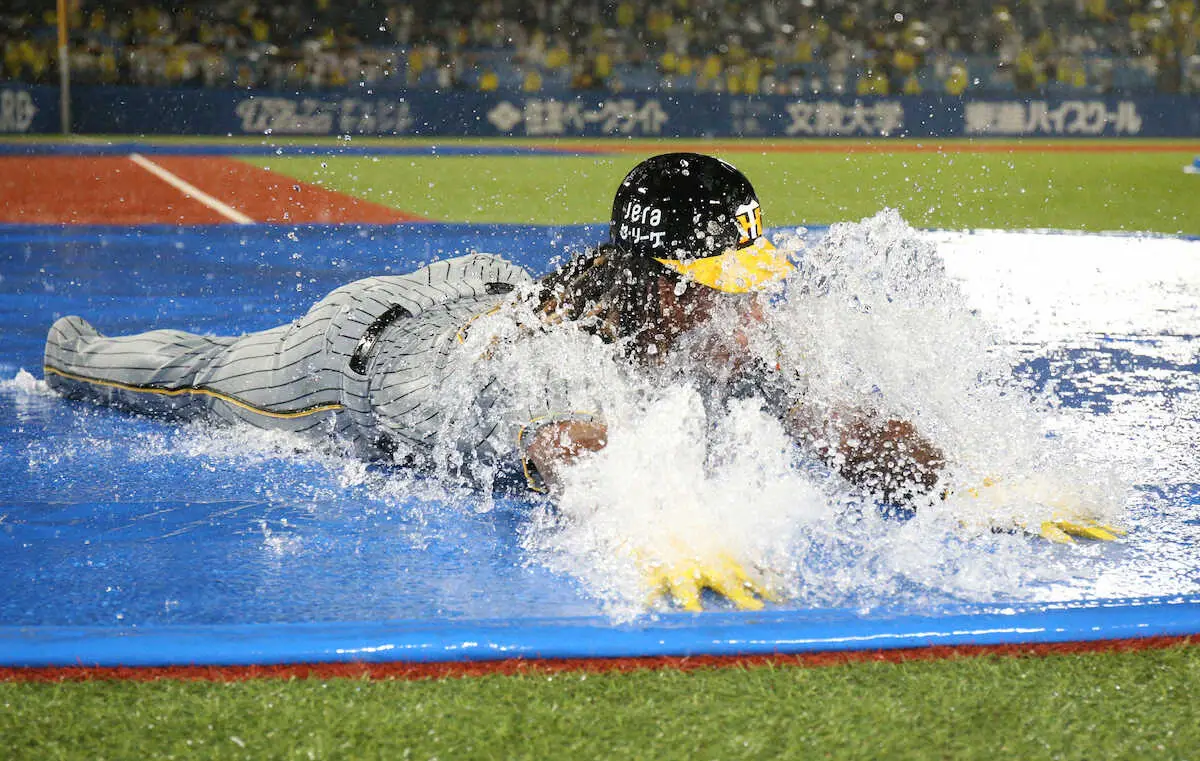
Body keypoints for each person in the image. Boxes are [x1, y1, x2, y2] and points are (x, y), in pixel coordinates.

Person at [41, 152, 1116, 612]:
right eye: (713, 284)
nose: (740, 306)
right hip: (364, 356)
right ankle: (73, 350)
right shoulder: (560, 352)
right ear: (655, 284)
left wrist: (963, 479)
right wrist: (660, 523)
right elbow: (566, 447)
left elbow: (839, 419)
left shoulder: (705, 320)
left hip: (486, 284)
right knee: (203, 377)